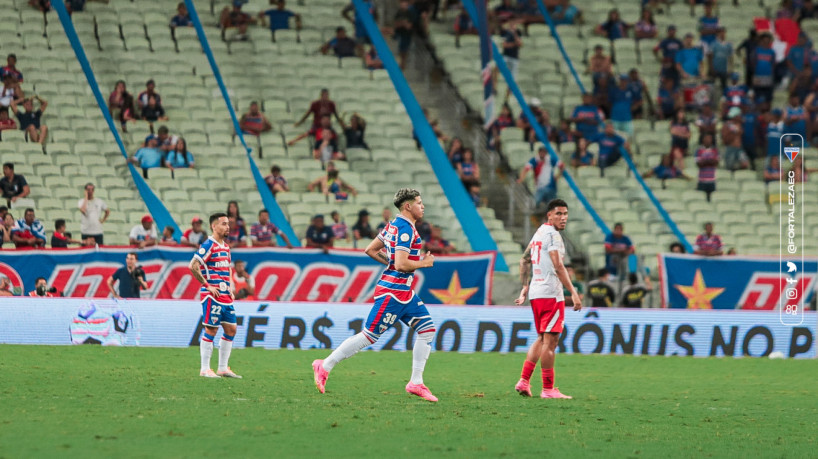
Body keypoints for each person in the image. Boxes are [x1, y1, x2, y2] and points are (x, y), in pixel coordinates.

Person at [312, 188, 439, 402]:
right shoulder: (406, 229)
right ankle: (324, 366)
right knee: (368, 336)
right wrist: (424, 263)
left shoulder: (393, 225)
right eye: (418, 202)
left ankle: (416, 382)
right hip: (393, 293)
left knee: (427, 330)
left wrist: (391, 263)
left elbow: (370, 250)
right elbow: (400, 263)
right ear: (407, 206)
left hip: (405, 292)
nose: (422, 205)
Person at [513, 199, 582, 399]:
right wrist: (574, 293)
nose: (563, 218)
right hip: (551, 293)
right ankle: (548, 389)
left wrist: (525, 287)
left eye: (565, 213)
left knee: (544, 338)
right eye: (559, 213)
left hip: (536, 292)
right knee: (551, 341)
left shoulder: (540, 232)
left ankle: (524, 381)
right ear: (549, 215)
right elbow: (558, 265)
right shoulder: (552, 235)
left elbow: (524, 259)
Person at [188, 213, 241, 378]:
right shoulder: (208, 244)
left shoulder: (225, 247)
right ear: (214, 226)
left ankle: (222, 368)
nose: (228, 227)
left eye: (228, 224)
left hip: (225, 294)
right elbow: (193, 265)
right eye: (224, 224)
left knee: (231, 329)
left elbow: (228, 268)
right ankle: (205, 369)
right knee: (211, 329)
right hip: (212, 295)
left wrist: (231, 287)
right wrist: (206, 285)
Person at [695, 133, 719, 202]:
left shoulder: (715, 150)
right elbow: (699, 164)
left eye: (709, 139)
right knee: (700, 201)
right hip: (702, 181)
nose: (708, 140)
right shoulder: (699, 150)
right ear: (703, 140)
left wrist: (705, 161)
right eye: (706, 139)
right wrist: (710, 161)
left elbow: (716, 163)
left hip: (712, 180)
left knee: (712, 200)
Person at [392, 0, 416, 69]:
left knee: (404, 51)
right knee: (399, 50)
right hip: (399, 34)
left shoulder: (410, 14)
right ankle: (399, 64)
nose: (403, 5)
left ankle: (403, 65)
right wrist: (402, 23)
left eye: (404, 3)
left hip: (406, 35)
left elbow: (409, 26)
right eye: (402, 3)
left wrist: (403, 23)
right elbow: (396, 24)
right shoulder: (399, 12)